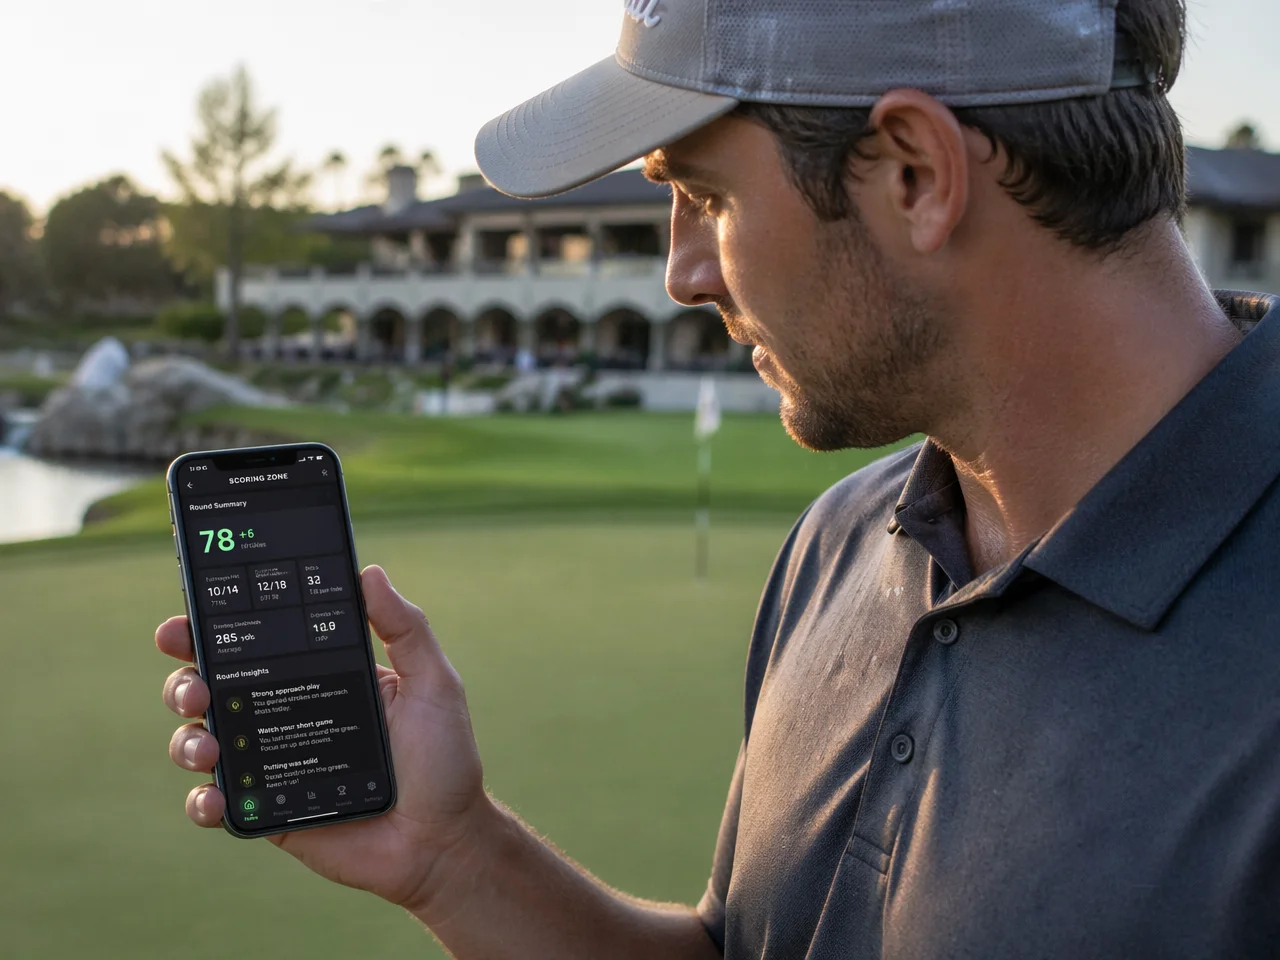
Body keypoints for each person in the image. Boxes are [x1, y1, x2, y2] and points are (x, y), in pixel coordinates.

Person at [157, 0, 1280, 956]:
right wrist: (456, 859)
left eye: (704, 193)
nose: (679, 274)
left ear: (913, 173)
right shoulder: (847, 539)